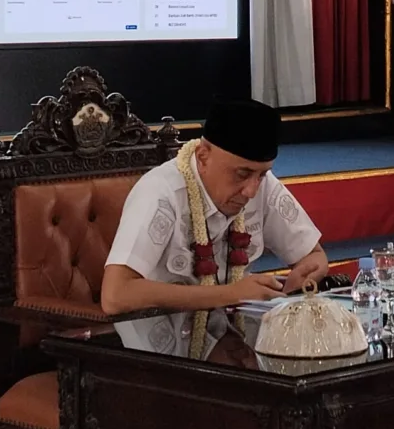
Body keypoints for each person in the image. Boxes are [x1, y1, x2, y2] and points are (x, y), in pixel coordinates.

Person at [100, 98, 330, 313]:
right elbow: (116, 295)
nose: (251, 191)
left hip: (238, 331)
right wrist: (230, 295)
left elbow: (313, 255)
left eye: (261, 174)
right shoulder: (161, 192)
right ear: (203, 157)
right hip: (161, 333)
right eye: (242, 174)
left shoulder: (263, 185)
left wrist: (303, 277)